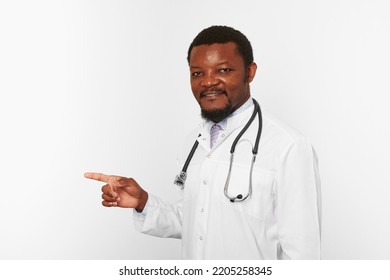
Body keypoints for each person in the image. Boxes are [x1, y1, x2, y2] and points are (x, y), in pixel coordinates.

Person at [85, 25, 321, 260]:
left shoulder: (288, 147)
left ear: (250, 72)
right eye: (197, 73)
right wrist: (143, 202)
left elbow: (303, 254)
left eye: (224, 70)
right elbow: (193, 221)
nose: (208, 82)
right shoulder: (194, 143)